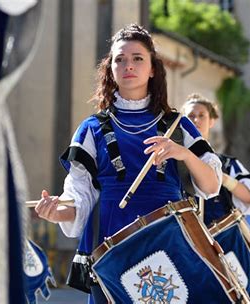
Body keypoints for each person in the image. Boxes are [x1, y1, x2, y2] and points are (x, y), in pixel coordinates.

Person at [35, 24, 222, 303]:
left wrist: (183, 154)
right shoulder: (91, 128)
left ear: (152, 69)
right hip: (110, 238)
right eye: (119, 59)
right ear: (110, 69)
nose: (128, 66)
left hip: (167, 236)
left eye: (137, 58)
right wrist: (55, 212)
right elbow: (80, 199)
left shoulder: (177, 125)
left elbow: (212, 185)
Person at [182, 94, 250, 226]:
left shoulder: (227, 163)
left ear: (211, 121)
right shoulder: (173, 161)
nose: (196, 120)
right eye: (191, 116)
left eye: (202, 115)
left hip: (220, 239)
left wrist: (221, 177)